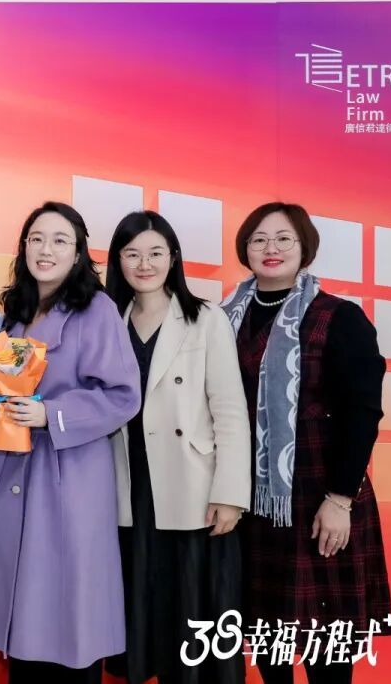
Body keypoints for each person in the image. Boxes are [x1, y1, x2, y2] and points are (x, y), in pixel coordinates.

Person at [224, 202, 391, 684]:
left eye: (284, 238)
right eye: (258, 239)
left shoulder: (339, 316)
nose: (270, 248)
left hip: (321, 492)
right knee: (268, 641)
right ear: (245, 248)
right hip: (252, 499)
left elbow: (363, 413)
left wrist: (340, 499)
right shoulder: (222, 317)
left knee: (327, 648)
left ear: (305, 247)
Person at [0, 202, 141, 683]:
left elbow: (123, 395)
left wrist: (52, 414)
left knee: (70, 616)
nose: (46, 250)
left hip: (71, 478)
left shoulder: (96, 309)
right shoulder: (15, 315)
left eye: (59, 240)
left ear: (78, 253)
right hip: (18, 471)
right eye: (37, 239)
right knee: (24, 619)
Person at [104, 210, 250, 684]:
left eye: (155, 253)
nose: (144, 264)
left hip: (193, 486)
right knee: (143, 607)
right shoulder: (108, 321)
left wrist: (230, 493)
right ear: (118, 261)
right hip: (128, 482)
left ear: (173, 258)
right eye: (132, 254)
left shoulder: (205, 318)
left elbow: (229, 410)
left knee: (193, 609)